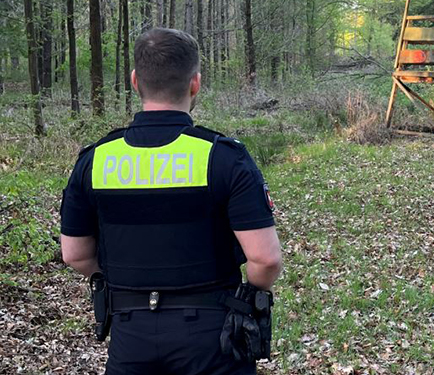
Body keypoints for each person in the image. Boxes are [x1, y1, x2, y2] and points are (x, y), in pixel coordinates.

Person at [60, 28, 283, 374]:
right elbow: (265, 259)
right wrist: (247, 299)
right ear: (195, 83)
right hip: (212, 337)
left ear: (135, 81)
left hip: (129, 335)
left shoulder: (95, 160)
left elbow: (75, 254)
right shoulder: (223, 157)